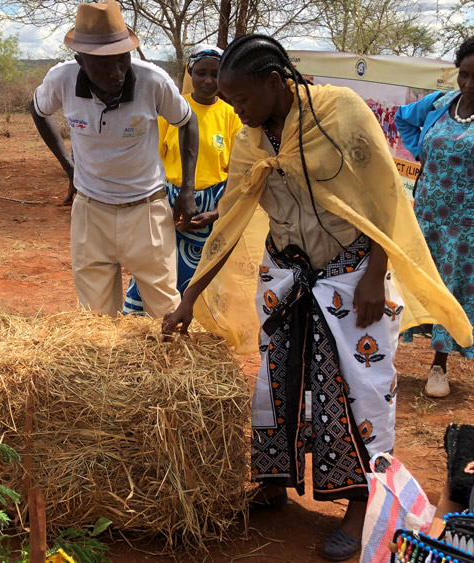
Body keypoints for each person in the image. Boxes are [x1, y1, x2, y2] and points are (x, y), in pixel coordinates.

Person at [162, 34, 472, 561]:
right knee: (276, 381)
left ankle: (360, 506)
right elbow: (234, 213)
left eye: (242, 99)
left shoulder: (339, 113)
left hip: (352, 276)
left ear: (273, 81)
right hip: (285, 274)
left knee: (357, 391)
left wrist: (377, 272)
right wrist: (190, 296)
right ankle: (273, 484)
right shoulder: (253, 136)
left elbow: (385, 194)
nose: (237, 110)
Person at [29, 0, 198, 319]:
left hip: (146, 210)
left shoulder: (153, 81)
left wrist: (187, 189)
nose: (116, 73)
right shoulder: (61, 79)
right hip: (91, 213)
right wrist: (68, 166)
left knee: (165, 309)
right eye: (103, 64)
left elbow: (187, 121)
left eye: (122, 60)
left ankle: (170, 366)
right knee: (95, 315)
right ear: (80, 60)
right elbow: (38, 110)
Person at [124, 44, 241, 314]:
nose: (208, 80)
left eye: (216, 73)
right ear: (190, 71)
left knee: (202, 275)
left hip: (211, 208)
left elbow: (235, 172)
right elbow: (152, 159)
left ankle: (197, 328)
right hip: (168, 203)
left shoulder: (231, 116)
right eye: (201, 73)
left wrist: (216, 212)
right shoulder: (174, 108)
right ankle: (144, 323)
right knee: (155, 264)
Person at [395, 37, 474, 398]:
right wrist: (419, 152)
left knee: (450, 289)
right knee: (407, 283)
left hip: (466, 227)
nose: (469, 85)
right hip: (425, 215)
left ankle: (438, 367)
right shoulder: (440, 105)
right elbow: (402, 119)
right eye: (464, 75)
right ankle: (379, 360)